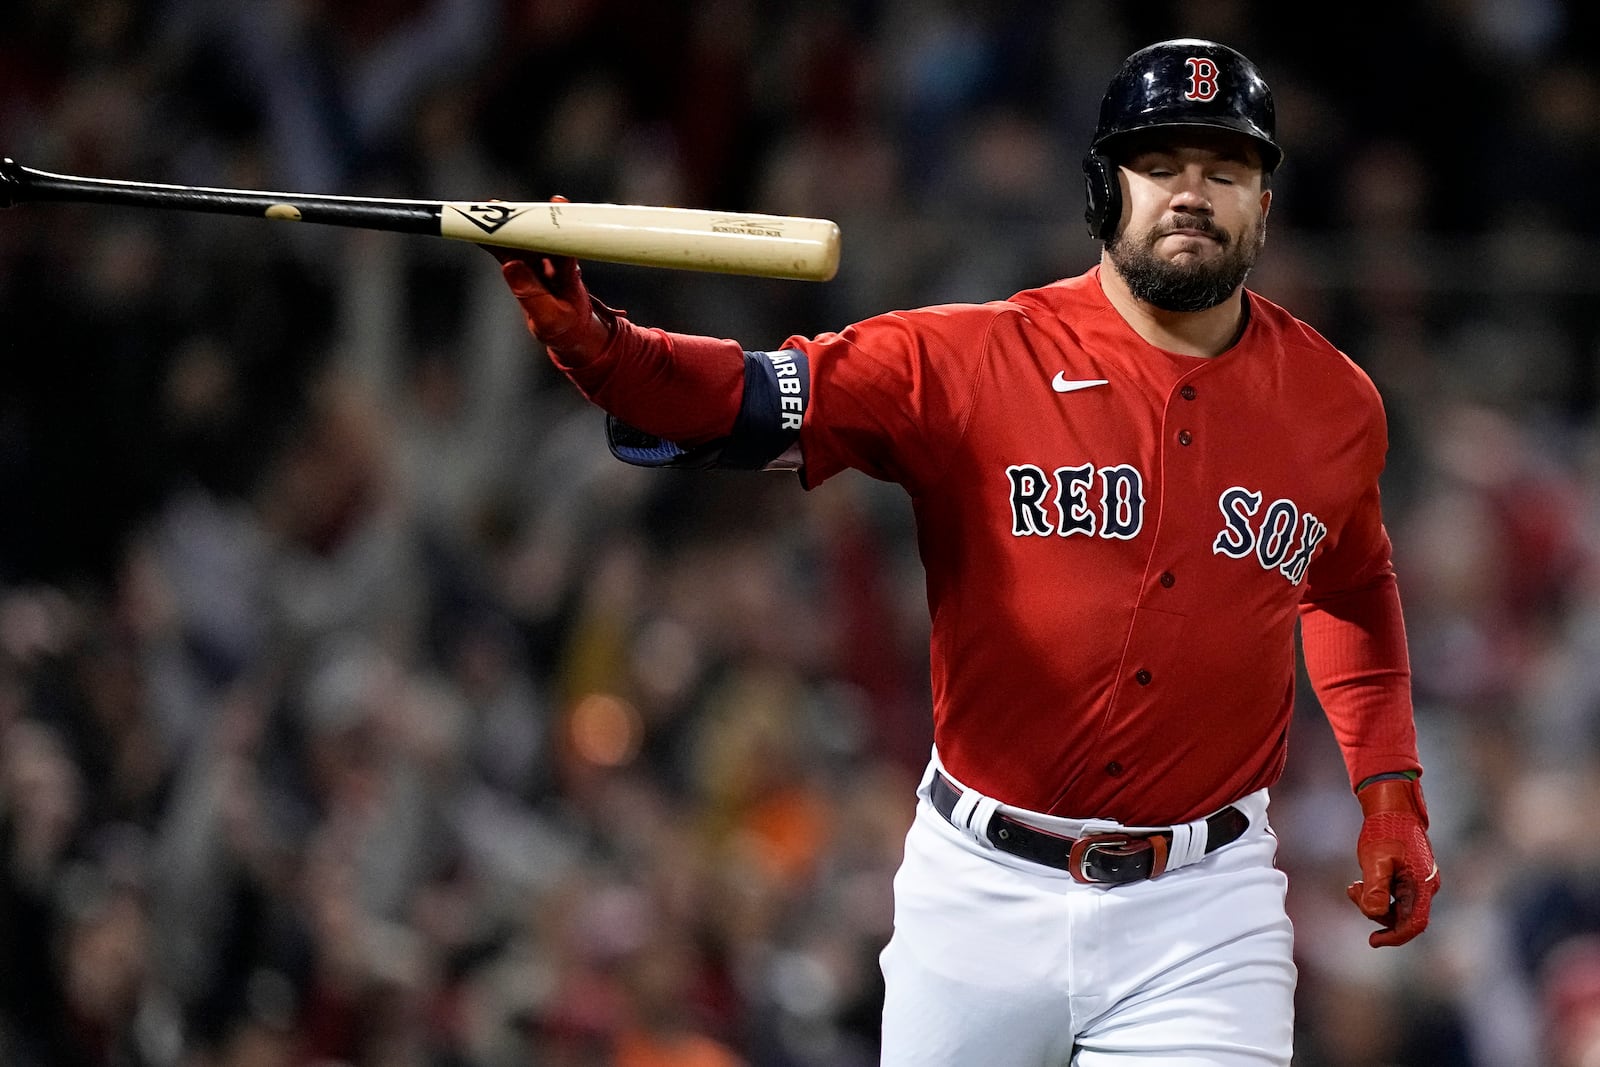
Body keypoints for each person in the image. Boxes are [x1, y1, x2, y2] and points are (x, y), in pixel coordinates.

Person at [487, 38, 1440, 1066]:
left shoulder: (1335, 405)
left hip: (1202, 911)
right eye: (1159, 164)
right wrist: (598, 345)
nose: (1190, 193)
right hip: (980, 893)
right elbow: (747, 399)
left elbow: (1349, 584)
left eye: (1224, 168)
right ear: (1102, 188)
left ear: (1265, 200)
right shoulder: (973, 359)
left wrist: (1388, 790)